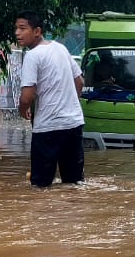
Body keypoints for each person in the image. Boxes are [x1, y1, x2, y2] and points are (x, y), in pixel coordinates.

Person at [16, 10, 85, 187]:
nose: (17, 33)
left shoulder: (32, 55)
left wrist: (23, 110)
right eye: (16, 28)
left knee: (40, 186)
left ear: (37, 31)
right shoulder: (61, 48)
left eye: (22, 28)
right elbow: (80, 81)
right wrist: (70, 103)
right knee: (74, 183)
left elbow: (26, 97)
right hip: (74, 124)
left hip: (48, 129)